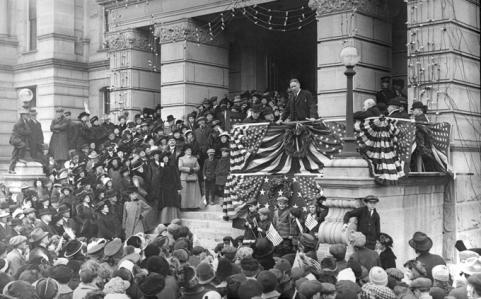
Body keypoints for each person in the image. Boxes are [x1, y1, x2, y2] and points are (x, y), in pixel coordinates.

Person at [178, 145, 202, 210]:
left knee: (193, 192)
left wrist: (193, 169)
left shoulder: (194, 158)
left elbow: (198, 167)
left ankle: (194, 206)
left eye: (190, 150)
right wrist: (188, 169)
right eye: (187, 150)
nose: (189, 151)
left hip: (193, 176)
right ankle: (184, 206)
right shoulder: (181, 158)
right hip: (184, 177)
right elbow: (180, 167)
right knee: (184, 192)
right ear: (185, 151)